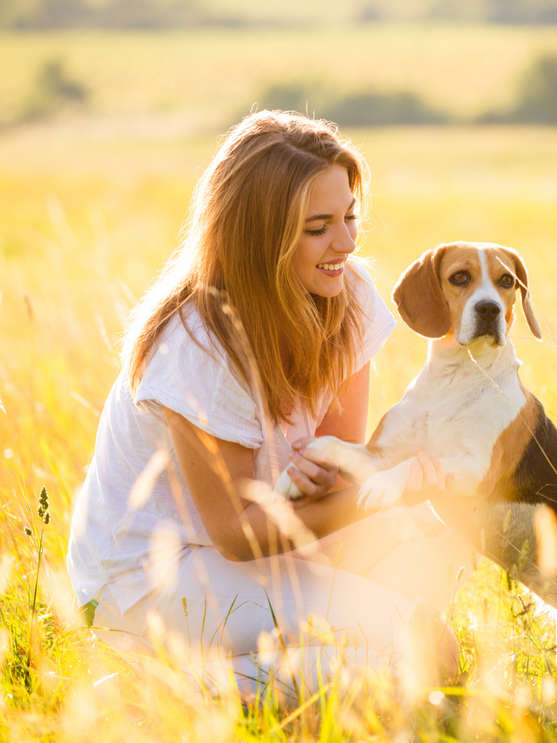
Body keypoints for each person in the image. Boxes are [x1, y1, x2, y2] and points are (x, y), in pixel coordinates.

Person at [66, 110, 472, 702]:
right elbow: (236, 533)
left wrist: (353, 479)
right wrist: (379, 492)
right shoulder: (198, 343)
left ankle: (288, 667)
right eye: (319, 227)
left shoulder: (346, 295)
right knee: (412, 648)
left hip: (261, 544)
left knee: (436, 548)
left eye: (350, 217)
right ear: (263, 237)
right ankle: (170, 697)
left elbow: (337, 470)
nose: (347, 242)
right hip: (152, 574)